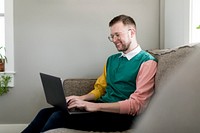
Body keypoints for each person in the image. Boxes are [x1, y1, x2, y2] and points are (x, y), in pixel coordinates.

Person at [22, 14, 157, 133]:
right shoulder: (112, 60)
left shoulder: (147, 62)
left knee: (58, 117)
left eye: (117, 35)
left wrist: (95, 106)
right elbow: (100, 88)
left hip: (123, 117)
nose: (114, 40)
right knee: (44, 113)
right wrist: (82, 98)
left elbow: (137, 105)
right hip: (103, 108)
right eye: (112, 36)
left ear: (132, 33)